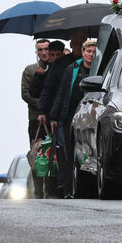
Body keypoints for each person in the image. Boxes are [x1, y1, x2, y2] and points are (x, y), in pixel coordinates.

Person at [37, 31, 87, 197]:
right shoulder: (62, 64)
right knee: (64, 151)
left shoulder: (93, 62)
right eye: (76, 44)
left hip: (87, 114)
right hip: (64, 114)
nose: (79, 48)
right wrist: (44, 111)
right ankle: (64, 185)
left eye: (82, 44)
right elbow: (50, 88)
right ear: (71, 45)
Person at [49, 39, 96, 198]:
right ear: (83, 52)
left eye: (94, 52)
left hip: (91, 116)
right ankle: (69, 189)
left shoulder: (101, 67)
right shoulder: (73, 69)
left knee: (89, 152)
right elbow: (62, 92)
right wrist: (54, 116)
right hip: (71, 116)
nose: (91, 55)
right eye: (88, 51)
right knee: (69, 153)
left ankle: (90, 188)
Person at [21, 39, 50, 199]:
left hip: (53, 119)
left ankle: (52, 189)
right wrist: (43, 105)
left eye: (46, 49)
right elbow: (25, 94)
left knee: (53, 154)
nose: (44, 53)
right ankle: (39, 192)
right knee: (37, 154)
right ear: (36, 52)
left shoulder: (56, 67)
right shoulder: (30, 70)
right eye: (41, 50)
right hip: (35, 120)